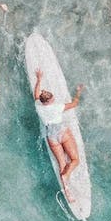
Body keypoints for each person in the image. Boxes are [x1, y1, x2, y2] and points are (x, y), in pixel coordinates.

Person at [33, 69, 84, 202]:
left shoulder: (39, 106)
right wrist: (78, 91)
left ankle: (68, 193)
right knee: (75, 160)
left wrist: (39, 79)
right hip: (62, 132)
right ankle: (67, 174)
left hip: (51, 136)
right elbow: (74, 104)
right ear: (50, 100)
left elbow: (36, 95)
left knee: (62, 163)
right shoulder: (57, 107)